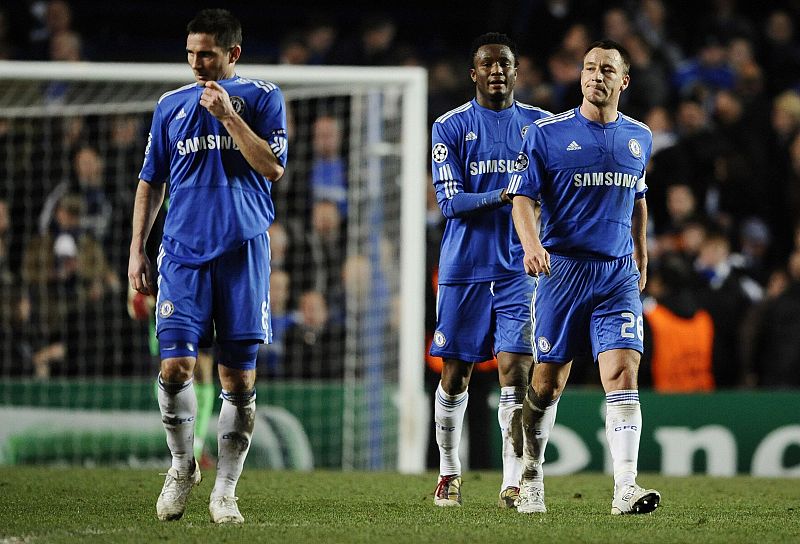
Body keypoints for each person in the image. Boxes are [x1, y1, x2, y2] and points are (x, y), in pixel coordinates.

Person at [127, 8, 287, 524]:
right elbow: (151, 181)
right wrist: (136, 248)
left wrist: (228, 117)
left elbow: (272, 167)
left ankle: (225, 491)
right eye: (191, 53)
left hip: (242, 253)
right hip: (182, 255)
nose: (196, 63)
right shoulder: (169, 106)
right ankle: (182, 466)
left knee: (236, 378)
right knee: (174, 366)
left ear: (232, 54)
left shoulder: (263, 98)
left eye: (208, 54)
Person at [507, 39, 660, 515]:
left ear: (623, 81)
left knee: (623, 371)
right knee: (547, 384)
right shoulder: (546, 134)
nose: (597, 76)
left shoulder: (640, 137)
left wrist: (640, 252)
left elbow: (638, 198)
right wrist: (532, 245)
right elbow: (522, 199)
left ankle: (625, 488)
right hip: (563, 272)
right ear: (580, 76)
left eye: (607, 69)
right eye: (590, 67)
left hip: (616, 274)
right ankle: (530, 476)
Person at [429, 32, 550, 509]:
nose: (496, 71)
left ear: (516, 72)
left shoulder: (541, 125)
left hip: (519, 269)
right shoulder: (450, 126)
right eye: (488, 64)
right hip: (464, 268)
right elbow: (450, 202)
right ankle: (448, 472)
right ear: (473, 73)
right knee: (455, 374)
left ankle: (512, 482)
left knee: (515, 372)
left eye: (504, 64)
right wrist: (504, 194)